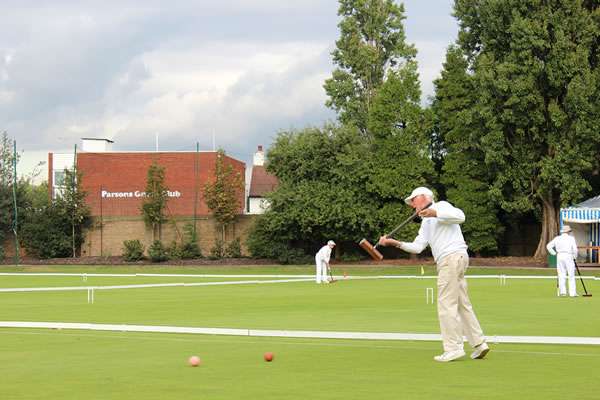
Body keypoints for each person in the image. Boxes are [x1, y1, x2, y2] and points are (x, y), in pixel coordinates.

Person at [378, 187, 489, 362]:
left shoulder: (442, 206)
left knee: (446, 303)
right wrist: (395, 243)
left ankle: (453, 348)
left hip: (450, 259)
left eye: (413, 202)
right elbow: (418, 246)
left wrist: (435, 213)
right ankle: (479, 343)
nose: (413, 207)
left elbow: (461, 216)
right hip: (456, 259)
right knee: (461, 304)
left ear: (423, 197)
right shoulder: (425, 223)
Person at [546, 225, 578, 298]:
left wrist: (554, 253)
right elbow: (575, 249)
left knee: (561, 274)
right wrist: (575, 257)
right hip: (568, 256)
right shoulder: (571, 239)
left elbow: (548, 246)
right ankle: (572, 293)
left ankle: (563, 292)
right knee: (571, 274)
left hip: (560, 256)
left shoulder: (557, 238)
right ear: (568, 232)